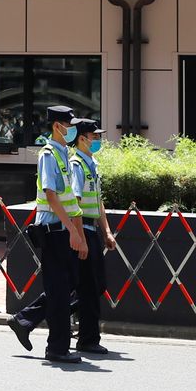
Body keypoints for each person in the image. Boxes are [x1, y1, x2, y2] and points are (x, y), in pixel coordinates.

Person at [7, 105, 88, 364]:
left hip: (65, 230)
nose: (73, 129)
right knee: (59, 291)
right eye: (69, 124)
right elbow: (52, 196)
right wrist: (73, 230)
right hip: (54, 232)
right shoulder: (49, 155)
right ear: (57, 126)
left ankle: (25, 321)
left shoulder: (64, 154)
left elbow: (70, 199)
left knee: (65, 288)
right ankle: (57, 348)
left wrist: (78, 232)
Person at [70, 119, 117, 353]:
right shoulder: (76, 164)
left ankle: (29, 317)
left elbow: (97, 201)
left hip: (92, 230)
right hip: (83, 231)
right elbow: (75, 203)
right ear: (82, 138)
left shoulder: (91, 164)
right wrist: (79, 238)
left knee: (95, 285)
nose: (97, 140)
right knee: (90, 287)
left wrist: (107, 230)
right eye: (94, 136)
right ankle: (88, 339)